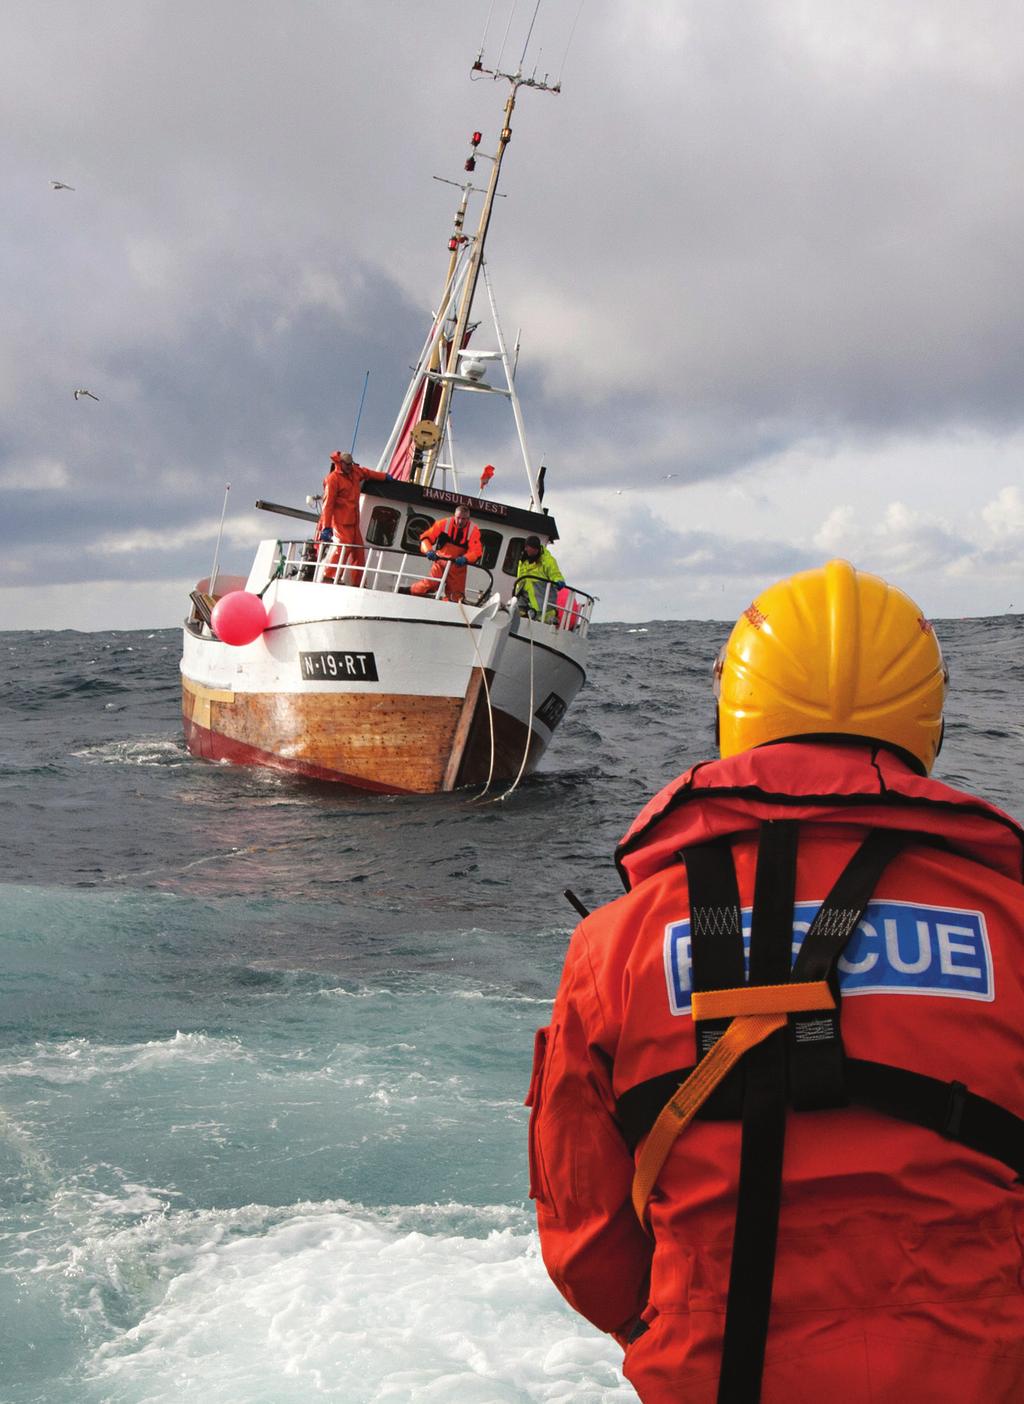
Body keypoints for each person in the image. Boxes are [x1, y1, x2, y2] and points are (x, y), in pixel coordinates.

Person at [528, 559, 1024, 1403]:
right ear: (927, 726)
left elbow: (587, 1243)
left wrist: (681, 1327)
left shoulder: (615, 947)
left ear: (733, 716)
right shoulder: (1010, 921)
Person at [316, 450, 388, 585]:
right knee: (344, 546)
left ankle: (358, 583)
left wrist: (384, 477)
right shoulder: (333, 479)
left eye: (351, 464)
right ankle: (329, 576)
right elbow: (328, 505)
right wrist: (326, 527)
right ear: (340, 463)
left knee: (359, 552)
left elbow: (367, 473)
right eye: (347, 465)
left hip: (354, 522)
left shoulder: (355, 472)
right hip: (340, 521)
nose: (350, 467)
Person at [410, 504, 483, 603]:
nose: (460, 521)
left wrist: (465, 558)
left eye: (464, 519)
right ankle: (408, 591)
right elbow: (425, 538)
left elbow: (476, 551)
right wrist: (429, 551)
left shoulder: (473, 530)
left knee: (456, 597)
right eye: (458, 518)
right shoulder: (444, 523)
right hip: (440, 562)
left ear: (468, 519)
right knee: (429, 584)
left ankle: (446, 612)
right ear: (454, 516)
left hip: (458, 566)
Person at [514, 535, 565, 620]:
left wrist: (559, 581)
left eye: (528, 547)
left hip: (543, 604)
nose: (526, 549)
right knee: (518, 614)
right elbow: (520, 579)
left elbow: (555, 573)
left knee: (544, 620)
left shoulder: (548, 561)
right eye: (525, 547)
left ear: (535, 548)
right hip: (525, 600)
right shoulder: (523, 561)